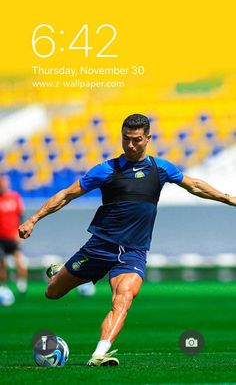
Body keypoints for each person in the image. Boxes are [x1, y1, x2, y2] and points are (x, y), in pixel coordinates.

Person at [18, 114, 236, 366]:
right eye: (126, 139)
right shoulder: (106, 170)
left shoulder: (160, 168)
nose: (131, 145)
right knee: (52, 292)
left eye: (137, 140)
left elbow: (195, 185)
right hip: (100, 247)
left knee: (124, 297)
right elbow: (67, 194)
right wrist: (33, 219)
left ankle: (99, 353)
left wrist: (228, 198)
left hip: (134, 251)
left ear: (148, 139)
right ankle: (61, 272)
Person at [0, 174, 27, 293]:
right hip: (1, 237)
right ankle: (3, 286)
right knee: (1, 262)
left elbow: (21, 216)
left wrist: (19, 233)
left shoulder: (15, 197)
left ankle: (21, 284)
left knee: (19, 260)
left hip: (12, 236)